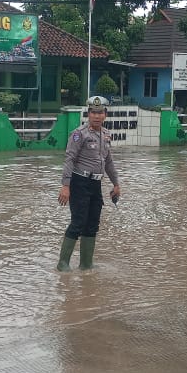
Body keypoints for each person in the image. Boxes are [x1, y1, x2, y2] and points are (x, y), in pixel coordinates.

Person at [56, 95, 121, 271]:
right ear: (88, 114)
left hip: (95, 184)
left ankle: (86, 264)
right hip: (79, 182)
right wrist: (65, 186)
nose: (97, 116)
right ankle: (63, 264)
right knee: (78, 222)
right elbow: (69, 159)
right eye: (93, 112)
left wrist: (116, 184)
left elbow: (108, 162)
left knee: (92, 224)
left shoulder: (106, 134)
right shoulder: (79, 134)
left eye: (100, 113)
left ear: (105, 114)